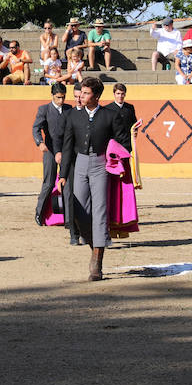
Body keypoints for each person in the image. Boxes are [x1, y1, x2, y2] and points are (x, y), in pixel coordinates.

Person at [59, 77, 127, 280]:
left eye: (86, 93)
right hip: (79, 163)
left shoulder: (110, 116)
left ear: (96, 96)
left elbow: (122, 143)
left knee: (99, 210)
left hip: (100, 165)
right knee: (78, 211)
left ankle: (97, 259)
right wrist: (63, 174)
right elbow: (68, 146)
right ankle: (93, 245)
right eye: (81, 92)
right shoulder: (73, 116)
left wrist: (128, 142)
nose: (81, 96)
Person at [32, 82, 75, 242]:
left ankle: (69, 219)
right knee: (49, 183)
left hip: (66, 150)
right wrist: (40, 142)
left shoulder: (69, 109)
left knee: (68, 184)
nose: (61, 101)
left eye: (63, 97)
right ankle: (39, 213)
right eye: (58, 98)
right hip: (50, 150)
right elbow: (36, 128)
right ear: (52, 96)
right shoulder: (44, 109)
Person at [105, 83, 137, 150]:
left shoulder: (130, 108)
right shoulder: (107, 109)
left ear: (125, 94)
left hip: (126, 145)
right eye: (118, 93)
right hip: (112, 145)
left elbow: (134, 123)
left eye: (122, 94)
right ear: (114, 94)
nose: (120, 96)